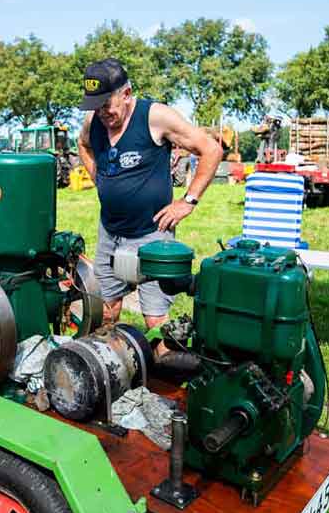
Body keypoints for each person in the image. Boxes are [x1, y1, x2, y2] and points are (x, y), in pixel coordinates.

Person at [77, 58, 222, 329]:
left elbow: (211, 150)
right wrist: (99, 176)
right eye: (96, 107)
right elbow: (83, 145)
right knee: (107, 311)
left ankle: (158, 367)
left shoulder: (156, 117)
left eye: (106, 104)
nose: (102, 113)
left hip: (152, 233)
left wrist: (188, 201)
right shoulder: (93, 120)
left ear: (127, 95)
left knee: (155, 320)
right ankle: (112, 365)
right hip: (110, 231)